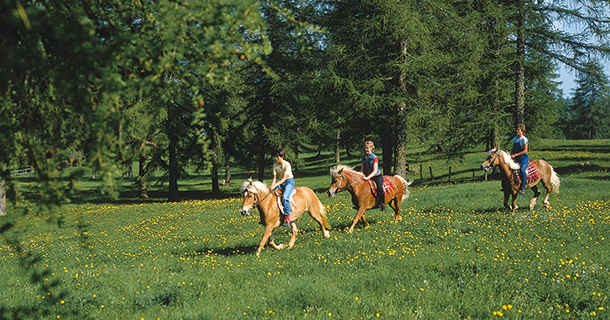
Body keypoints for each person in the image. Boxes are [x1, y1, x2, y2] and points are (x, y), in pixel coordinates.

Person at [269, 148, 295, 227]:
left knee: (284, 197)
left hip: (288, 182)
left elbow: (284, 178)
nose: (276, 158)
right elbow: (275, 178)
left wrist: (275, 185)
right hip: (280, 182)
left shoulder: (287, 164)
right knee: (271, 193)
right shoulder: (275, 165)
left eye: (278, 157)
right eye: (275, 157)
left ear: (282, 156)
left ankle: (287, 217)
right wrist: (272, 186)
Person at [361, 141, 385, 211]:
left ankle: (382, 203)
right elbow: (362, 169)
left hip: (376, 176)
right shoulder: (363, 158)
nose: (366, 150)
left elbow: (375, 171)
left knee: (380, 187)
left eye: (368, 148)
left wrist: (367, 177)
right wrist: (361, 175)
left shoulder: (374, 158)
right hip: (367, 176)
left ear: (371, 148)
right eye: (365, 148)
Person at [510, 124, 529, 194]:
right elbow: (513, 149)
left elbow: (525, 151)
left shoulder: (524, 139)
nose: (517, 131)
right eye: (516, 129)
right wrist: (511, 154)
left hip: (523, 158)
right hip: (516, 157)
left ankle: (523, 187)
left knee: (522, 170)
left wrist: (515, 155)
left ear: (522, 131)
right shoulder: (515, 139)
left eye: (518, 130)